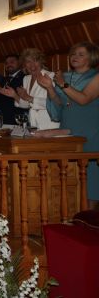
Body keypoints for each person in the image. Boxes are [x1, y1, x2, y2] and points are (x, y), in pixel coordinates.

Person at [39, 42, 99, 208]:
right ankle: (72, 214)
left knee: (91, 177)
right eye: (73, 54)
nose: (75, 57)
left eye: (81, 54)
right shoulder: (64, 76)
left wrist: (62, 85)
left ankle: (89, 217)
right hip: (68, 127)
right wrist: (50, 88)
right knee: (70, 173)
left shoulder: (96, 76)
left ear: (91, 57)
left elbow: (84, 99)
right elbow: (60, 103)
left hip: (91, 131)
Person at [0, 48, 59, 130]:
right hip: (32, 124)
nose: (32, 65)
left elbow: (54, 104)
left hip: (49, 124)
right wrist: (15, 96)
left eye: (35, 60)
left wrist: (29, 98)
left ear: (41, 62)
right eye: (28, 62)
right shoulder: (26, 78)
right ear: (24, 65)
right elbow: (27, 104)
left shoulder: (50, 76)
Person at [0, 54, 27, 125]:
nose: (9, 65)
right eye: (6, 63)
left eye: (12, 62)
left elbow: (25, 102)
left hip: (17, 120)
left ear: (19, 63)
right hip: (3, 120)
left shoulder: (25, 78)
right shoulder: (4, 79)